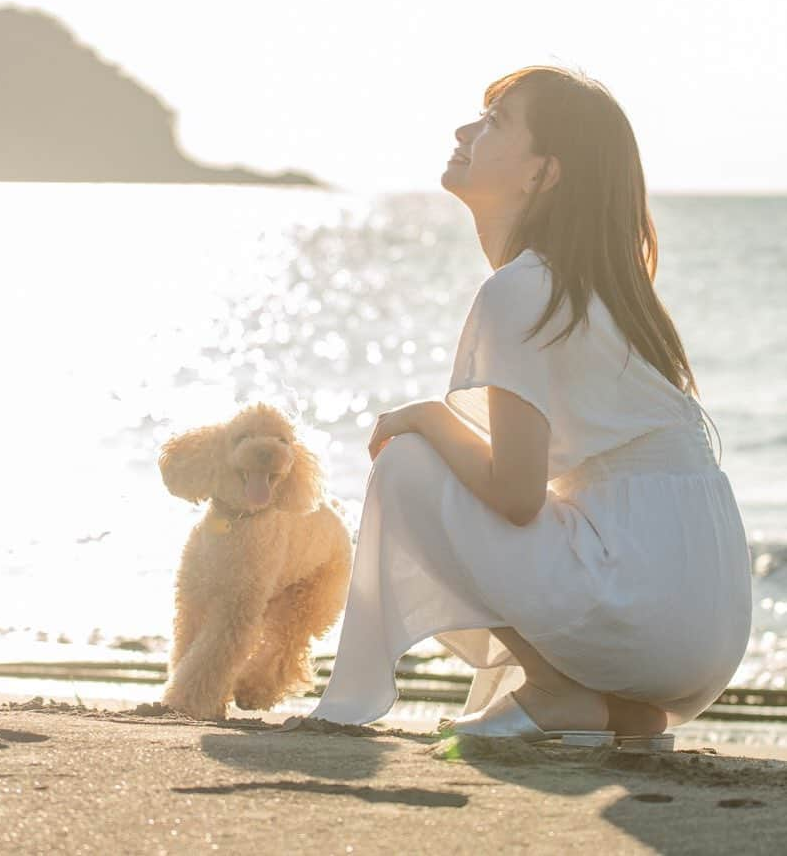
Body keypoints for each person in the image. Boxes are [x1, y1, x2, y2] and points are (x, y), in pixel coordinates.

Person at [301, 65, 753, 747]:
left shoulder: (522, 290)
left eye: (494, 123)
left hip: (646, 614)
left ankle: (555, 688)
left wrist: (426, 415)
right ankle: (608, 707)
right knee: (477, 480)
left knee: (408, 465)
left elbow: (515, 495)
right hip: (708, 634)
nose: (464, 131)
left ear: (542, 175)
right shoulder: (602, 295)